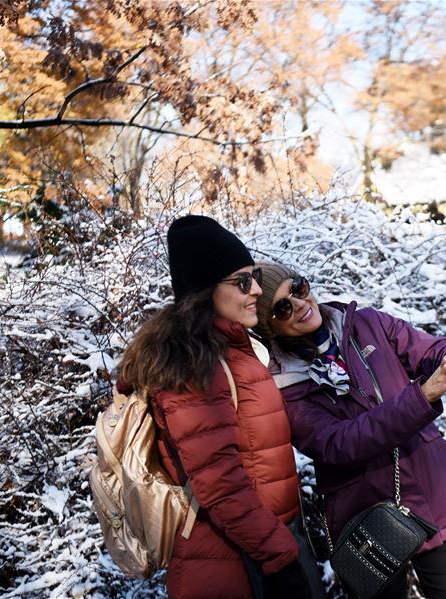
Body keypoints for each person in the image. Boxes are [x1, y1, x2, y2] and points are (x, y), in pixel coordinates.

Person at [253, 261, 446, 599]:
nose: (299, 304)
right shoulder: (283, 384)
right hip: (367, 525)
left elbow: (430, 352)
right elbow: (339, 444)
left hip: (438, 497)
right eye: (282, 307)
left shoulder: (365, 324)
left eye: (298, 288)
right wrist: (422, 395)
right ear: (269, 328)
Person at [115, 217, 323, 599]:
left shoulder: (230, 349)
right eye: (242, 282)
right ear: (205, 290)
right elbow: (220, 483)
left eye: (254, 276)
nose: (256, 289)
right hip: (234, 563)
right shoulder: (191, 365)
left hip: (260, 546)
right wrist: (281, 558)